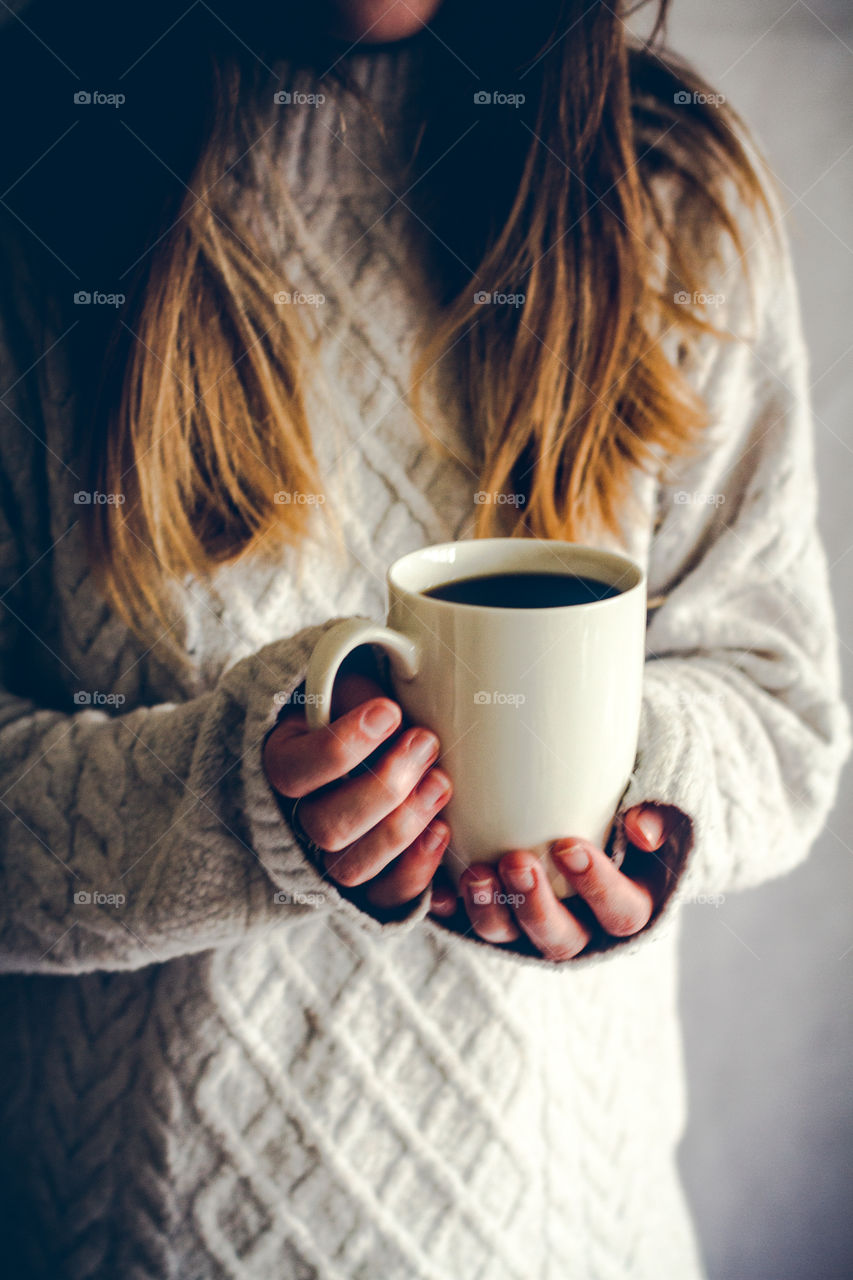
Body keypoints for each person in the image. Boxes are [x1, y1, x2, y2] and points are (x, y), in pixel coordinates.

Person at [0, 0, 847, 1276]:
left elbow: (777, 706)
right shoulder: (32, 173)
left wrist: (627, 787)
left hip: (567, 1241)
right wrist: (231, 807)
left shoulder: (664, 193)